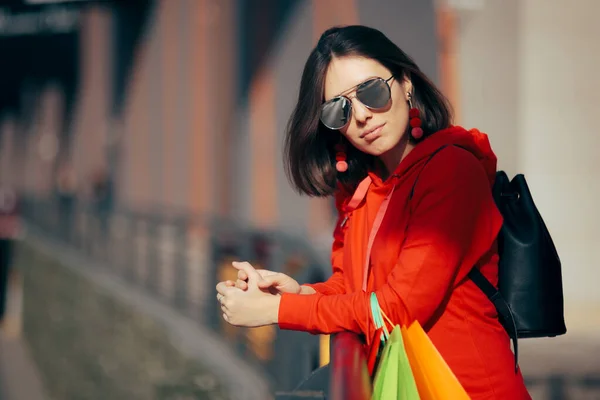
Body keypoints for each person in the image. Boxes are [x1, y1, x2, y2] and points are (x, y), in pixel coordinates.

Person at [216, 25, 531, 399]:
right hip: (399, 386)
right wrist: (298, 291)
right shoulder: (362, 188)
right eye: (339, 109)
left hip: (465, 388)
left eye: (372, 91)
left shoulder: (451, 172)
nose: (362, 115)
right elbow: (352, 288)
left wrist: (279, 311)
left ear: (406, 83)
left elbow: (394, 308)